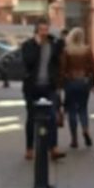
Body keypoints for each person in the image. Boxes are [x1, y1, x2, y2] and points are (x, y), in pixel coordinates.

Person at [20, 18, 65, 160]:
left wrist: (58, 84)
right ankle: (29, 148)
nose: (44, 33)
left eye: (46, 30)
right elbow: (29, 62)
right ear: (36, 31)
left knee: (52, 116)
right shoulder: (28, 45)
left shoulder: (52, 44)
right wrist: (38, 45)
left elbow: (60, 57)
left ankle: (53, 148)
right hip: (32, 87)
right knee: (32, 117)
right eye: (42, 30)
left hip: (49, 87)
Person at [58, 27, 94, 149]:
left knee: (71, 111)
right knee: (83, 108)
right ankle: (85, 130)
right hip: (84, 82)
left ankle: (74, 139)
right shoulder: (87, 50)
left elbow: (62, 68)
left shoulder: (67, 51)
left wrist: (60, 84)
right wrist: (93, 83)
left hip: (70, 82)